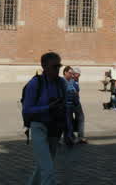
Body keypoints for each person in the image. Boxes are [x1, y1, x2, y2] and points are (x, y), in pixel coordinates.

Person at [21, 52, 67, 185]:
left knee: (44, 166)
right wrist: (47, 107)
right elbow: (27, 110)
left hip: (55, 128)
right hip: (38, 127)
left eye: (59, 66)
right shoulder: (35, 84)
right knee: (48, 169)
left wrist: (68, 130)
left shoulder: (61, 83)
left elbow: (66, 107)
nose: (57, 69)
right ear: (44, 66)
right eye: (54, 66)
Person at [62, 66, 87, 147]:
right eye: (70, 73)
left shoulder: (73, 81)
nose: (72, 75)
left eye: (73, 74)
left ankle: (76, 136)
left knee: (79, 118)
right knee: (68, 121)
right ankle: (68, 138)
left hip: (75, 102)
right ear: (65, 72)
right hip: (68, 104)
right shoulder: (62, 82)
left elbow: (76, 91)